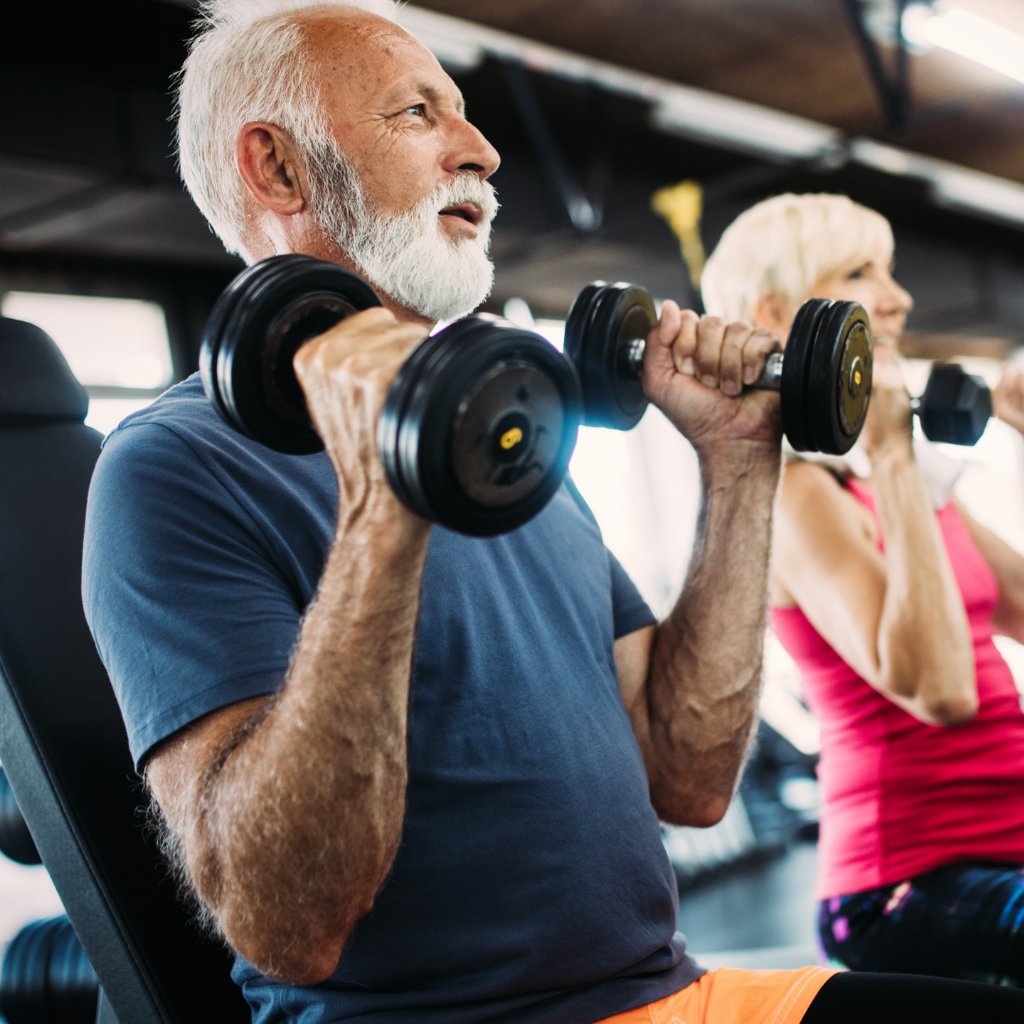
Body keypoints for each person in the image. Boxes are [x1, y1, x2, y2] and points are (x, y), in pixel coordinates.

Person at [80, 3, 1024, 1021]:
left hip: (671, 994)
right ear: (277, 168)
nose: (481, 151)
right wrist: (385, 503)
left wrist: (738, 458)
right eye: (416, 113)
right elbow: (288, 925)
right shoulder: (171, 466)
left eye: (462, 112)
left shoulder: (509, 442)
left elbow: (689, 779)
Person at [702, 192, 1024, 985]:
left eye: (889, 270)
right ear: (777, 312)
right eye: (859, 273)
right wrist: (895, 454)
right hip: (903, 886)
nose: (899, 297)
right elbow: (941, 691)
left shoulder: (904, 485)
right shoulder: (796, 493)